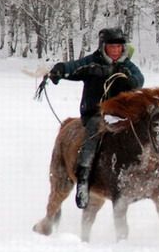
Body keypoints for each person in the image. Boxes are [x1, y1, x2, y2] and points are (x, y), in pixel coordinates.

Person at [48, 27, 145, 209]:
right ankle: (83, 180)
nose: (116, 50)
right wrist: (60, 70)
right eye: (111, 47)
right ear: (103, 47)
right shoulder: (92, 63)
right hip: (95, 114)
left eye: (119, 47)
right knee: (93, 134)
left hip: (119, 115)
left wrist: (131, 82)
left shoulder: (127, 66)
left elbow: (139, 78)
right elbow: (74, 67)